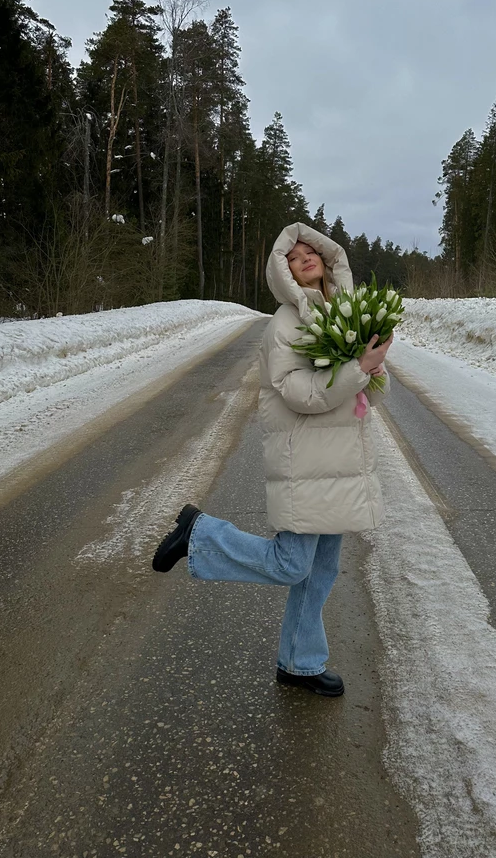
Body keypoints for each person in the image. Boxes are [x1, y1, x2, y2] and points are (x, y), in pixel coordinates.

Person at [152, 223, 392, 697]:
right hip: (304, 456)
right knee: (291, 565)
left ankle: (299, 663)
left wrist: (374, 372)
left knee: (320, 571)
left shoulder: (349, 316)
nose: (304, 257)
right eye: (293, 255)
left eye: (311, 251)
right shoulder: (286, 322)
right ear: (283, 271)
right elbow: (297, 393)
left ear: (328, 259)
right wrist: (356, 370)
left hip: (338, 458)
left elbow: (368, 398)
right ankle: (200, 533)